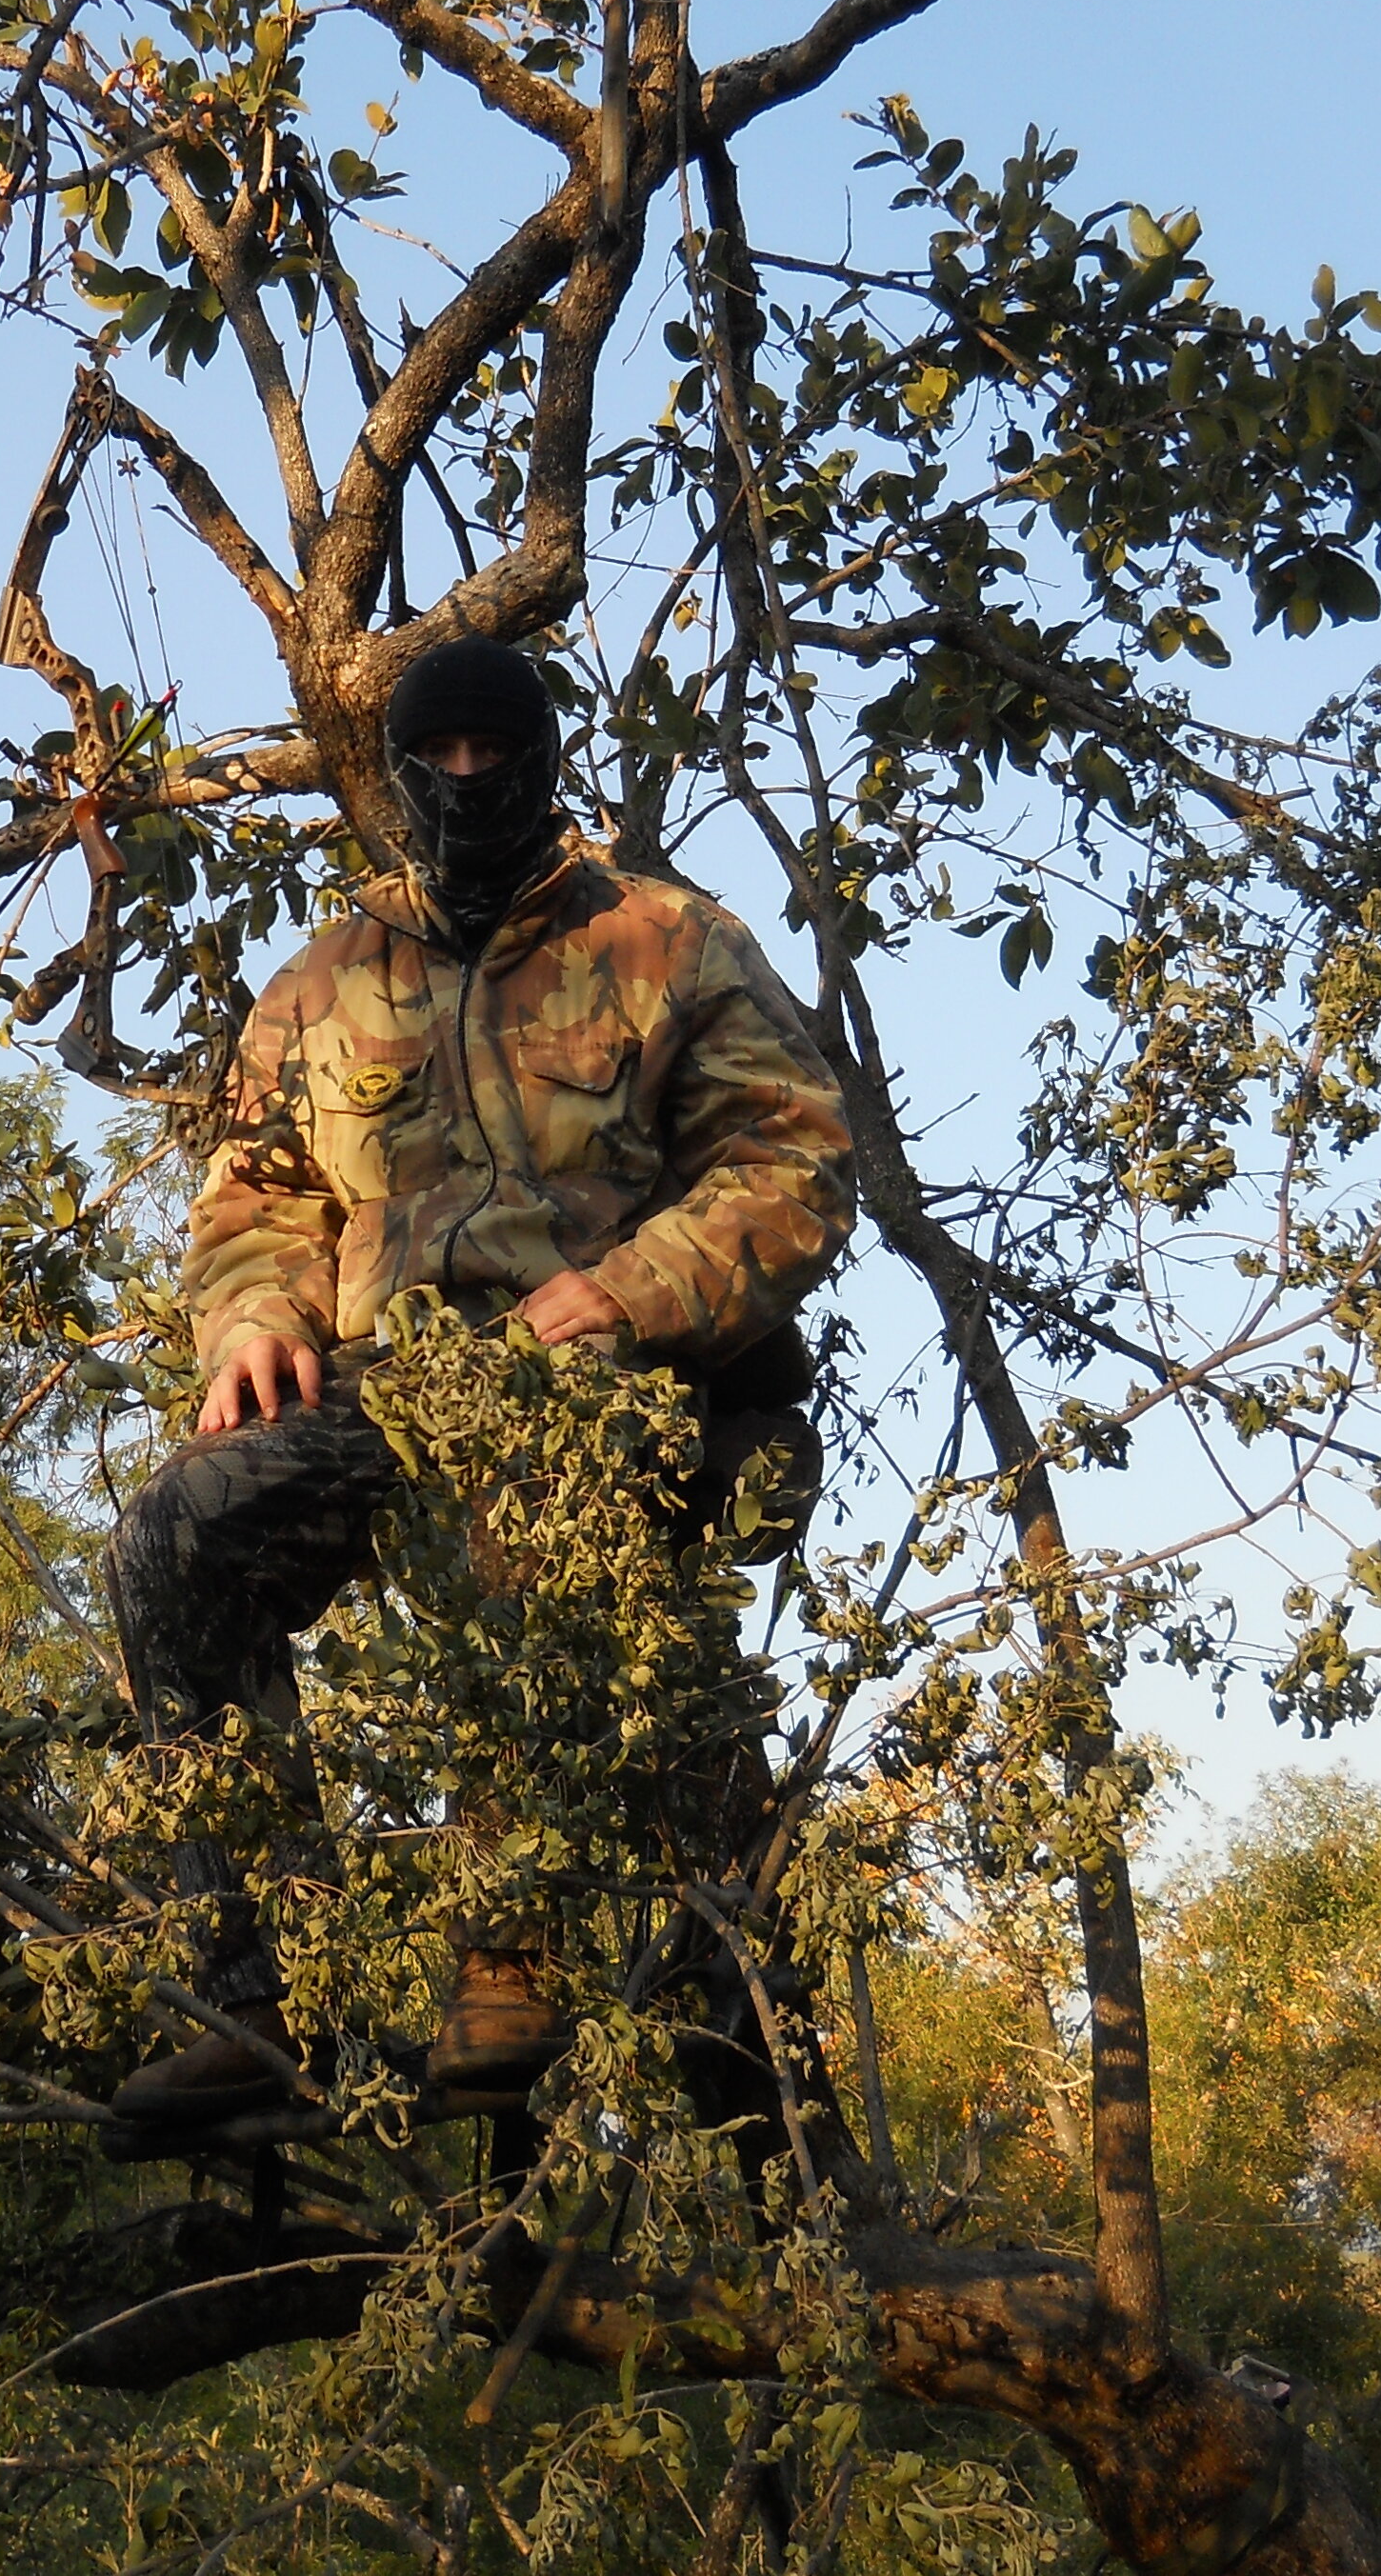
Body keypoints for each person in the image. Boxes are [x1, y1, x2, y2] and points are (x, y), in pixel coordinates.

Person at [104, 637, 858, 2127]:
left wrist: (631, 1291)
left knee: (530, 1511)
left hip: (616, 1390)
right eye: (434, 757)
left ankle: (517, 1957)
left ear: (541, 760)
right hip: (390, 1388)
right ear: (394, 778)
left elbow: (798, 1161)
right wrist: (255, 1312)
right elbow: (257, 1192)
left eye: (489, 754)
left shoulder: (667, 940)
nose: (464, 781)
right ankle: (263, 1999)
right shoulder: (321, 982)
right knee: (172, 1534)